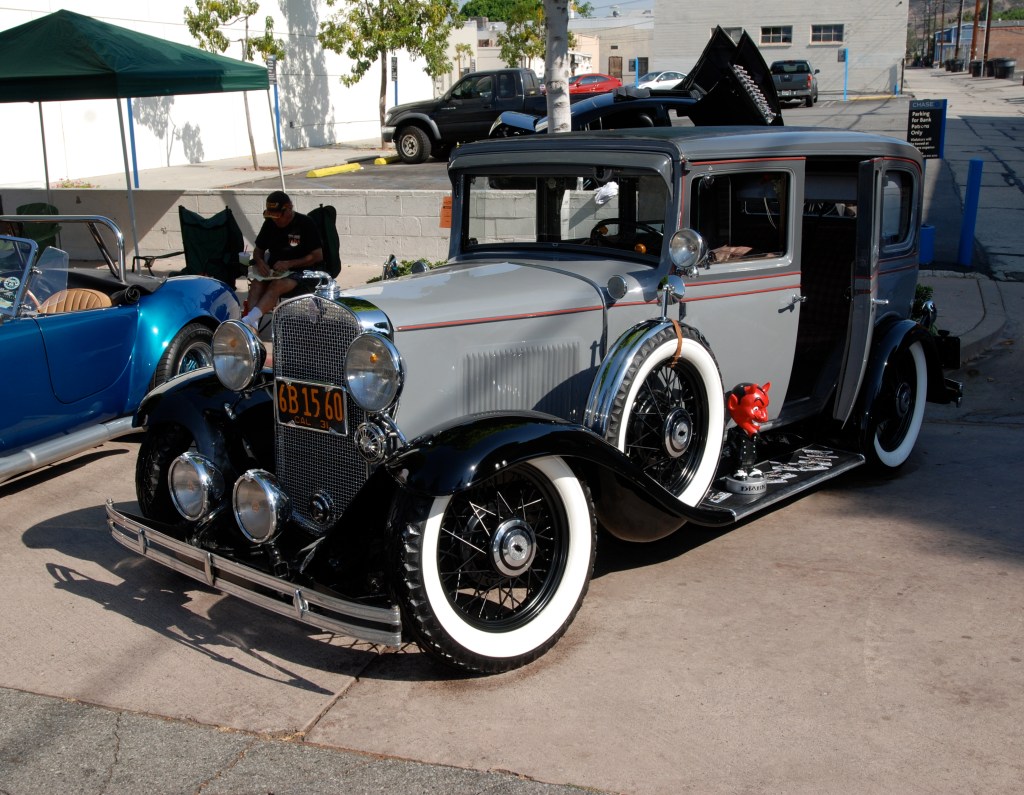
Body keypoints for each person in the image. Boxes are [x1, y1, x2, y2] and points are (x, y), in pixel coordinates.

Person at [241, 191, 324, 328]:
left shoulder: (305, 223)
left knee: (276, 285)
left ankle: (248, 322)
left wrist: (289, 263)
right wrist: (260, 262)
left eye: (278, 216)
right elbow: (258, 250)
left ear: (289, 208)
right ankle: (252, 325)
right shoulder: (270, 224)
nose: (276, 220)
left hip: (301, 272)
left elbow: (317, 256)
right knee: (256, 284)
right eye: (273, 217)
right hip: (274, 271)